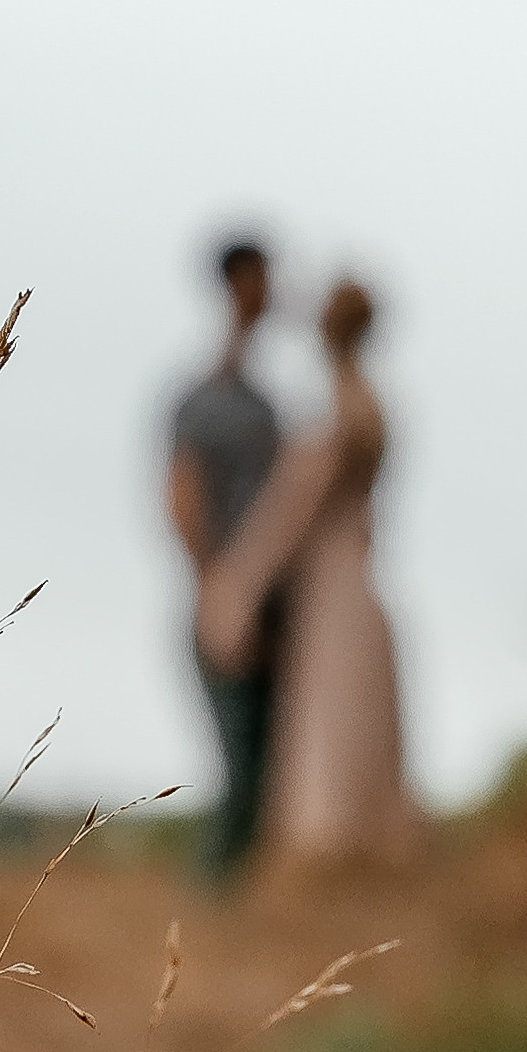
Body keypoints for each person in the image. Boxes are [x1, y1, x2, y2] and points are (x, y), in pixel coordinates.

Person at [195, 277, 416, 865]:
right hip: (359, 592)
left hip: (332, 605)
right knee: (359, 752)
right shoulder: (368, 402)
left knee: (330, 755)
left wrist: (233, 592)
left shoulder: (341, 418)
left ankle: (329, 886)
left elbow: (284, 522)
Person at [167, 238, 284, 877]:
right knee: (241, 772)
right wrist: (221, 592)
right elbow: (181, 500)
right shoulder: (201, 402)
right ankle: (210, 905)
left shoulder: (267, 405)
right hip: (227, 600)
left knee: (268, 772)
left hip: (268, 602)